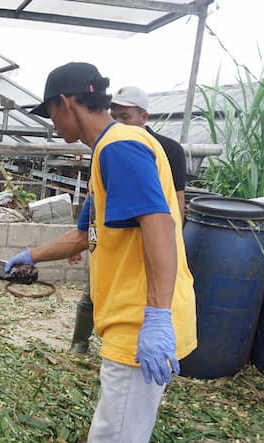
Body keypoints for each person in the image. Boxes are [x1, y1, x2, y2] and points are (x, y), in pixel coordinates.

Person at [5, 62, 196, 443]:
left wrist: (154, 318)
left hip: (139, 324)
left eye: (50, 112)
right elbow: (82, 235)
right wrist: (28, 254)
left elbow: (160, 225)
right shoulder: (112, 151)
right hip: (139, 316)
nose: (52, 124)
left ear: (65, 103)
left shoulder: (120, 147)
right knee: (126, 437)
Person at [69, 85, 187, 354]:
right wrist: (82, 237)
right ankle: (80, 343)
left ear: (144, 117)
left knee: (143, 297)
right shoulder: (108, 145)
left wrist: (172, 243)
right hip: (111, 241)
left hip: (145, 245)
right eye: (115, 115)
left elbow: (171, 208)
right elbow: (95, 197)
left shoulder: (167, 149)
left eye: (126, 117)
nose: (118, 122)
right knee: (94, 291)